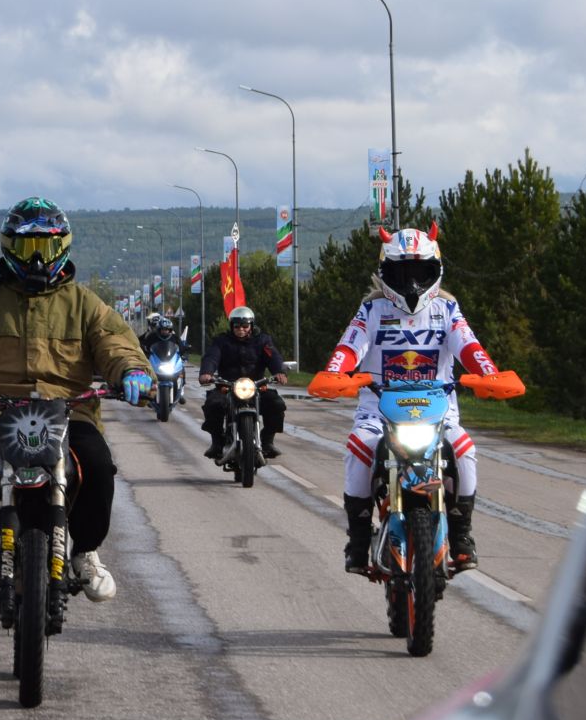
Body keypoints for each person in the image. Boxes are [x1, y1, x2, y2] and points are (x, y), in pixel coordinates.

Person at [0, 197, 152, 605]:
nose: (37, 259)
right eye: (28, 248)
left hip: (69, 411)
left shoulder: (85, 305)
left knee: (97, 463)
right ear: (9, 248)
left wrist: (132, 372)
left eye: (47, 247)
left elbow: (116, 345)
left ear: (63, 247)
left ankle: (85, 553)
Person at [307, 226, 524, 574]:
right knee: (359, 449)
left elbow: (470, 347)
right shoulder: (371, 311)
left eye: (420, 272)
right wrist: (336, 373)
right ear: (385, 273)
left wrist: (488, 374)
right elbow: (348, 347)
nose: (412, 283)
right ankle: (359, 540)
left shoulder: (447, 309)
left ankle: (462, 535)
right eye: (402, 273)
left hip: (437, 411)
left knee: (465, 449)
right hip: (379, 412)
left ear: (435, 270)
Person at [198, 305, 288, 460]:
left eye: (245, 326)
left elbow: (273, 356)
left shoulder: (262, 341)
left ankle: (267, 441)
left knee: (276, 404)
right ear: (232, 326)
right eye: (237, 326)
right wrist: (206, 373)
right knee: (213, 404)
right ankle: (217, 443)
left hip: (257, 386)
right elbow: (211, 357)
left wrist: (279, 371)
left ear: (251, 326)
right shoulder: (222, 341)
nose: (241, 329)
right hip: (227, 385)